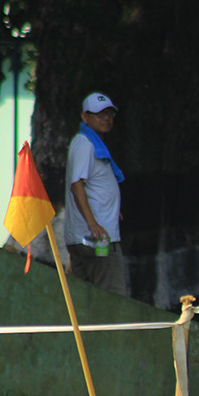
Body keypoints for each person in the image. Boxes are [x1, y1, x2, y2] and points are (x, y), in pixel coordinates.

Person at [64, 92, 127, 296]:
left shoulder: (89, 143)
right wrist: (92, 223)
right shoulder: (85, 144)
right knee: (112, 299)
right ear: (85, 117)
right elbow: (76, 185)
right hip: (98, 238)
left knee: (89, 300)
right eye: (100, 114)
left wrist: (112, 208)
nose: (106, 118)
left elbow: (94, 185)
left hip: (89, 236)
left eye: (109, 114)